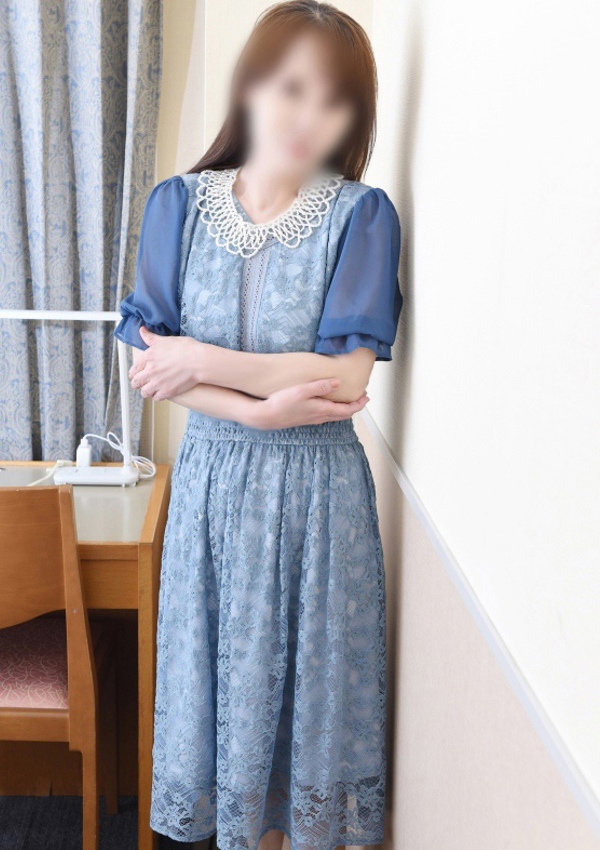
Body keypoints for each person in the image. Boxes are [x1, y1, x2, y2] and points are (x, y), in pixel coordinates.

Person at [115, 3, 402, 848]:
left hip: (319, 501)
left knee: (306, 709)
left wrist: (201, 359)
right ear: (251, 86)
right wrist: (259, 407)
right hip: (208, 489)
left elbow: (346, 376)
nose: (312, 117)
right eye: (293, 88)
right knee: (219, 697)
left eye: (336, 102)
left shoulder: (363, 216)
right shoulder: (177, 205)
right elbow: (148, 361)